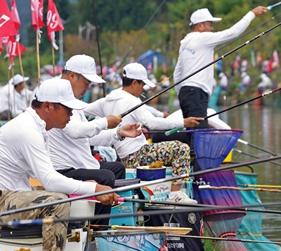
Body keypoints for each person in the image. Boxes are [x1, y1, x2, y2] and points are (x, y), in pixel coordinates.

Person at [0, 78, 119, 251]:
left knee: (64, 192)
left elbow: (44, 173)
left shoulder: (39, 127)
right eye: (67, 109)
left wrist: (85, 184)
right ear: (48, 106)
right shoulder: (28, 130)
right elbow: (49, 180)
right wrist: (94, 189)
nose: (71, 114)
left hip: (9, 194)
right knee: (57, 201)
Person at [85, 63, 203, 203]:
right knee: (181, 148)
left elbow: (82, 110)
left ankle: (169, 190)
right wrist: (183, 123)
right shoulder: (132, 101)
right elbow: (151, 123)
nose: (142, 90)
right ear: (135, 83)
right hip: (138, 154)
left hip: (125, 157)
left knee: (170, 151)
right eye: (142, 85)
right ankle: (175, 194)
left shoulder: (107, 100)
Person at [49, 55, 143, 224]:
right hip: (63, 168)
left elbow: (88, 137)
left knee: (117, 168)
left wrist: (118, 132)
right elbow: (75, 131)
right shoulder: (57, 95)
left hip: (79, 163)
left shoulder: (73, 100)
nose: (88, 88)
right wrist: (105, 121)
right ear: (72, 76)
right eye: (86, 82)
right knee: (106, 177)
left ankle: (112, 220)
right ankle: (97, 228)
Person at [174, 6, 268, 128]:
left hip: (186, 93)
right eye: (210, 25)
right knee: (199, 134)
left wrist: (182, 95)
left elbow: (177, 73)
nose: (212, 29)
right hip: (196, 93)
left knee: (193, 132)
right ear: (200, 26)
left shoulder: (185, 42)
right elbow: (232, 33)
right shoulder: (202, 38)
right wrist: (252, 14)